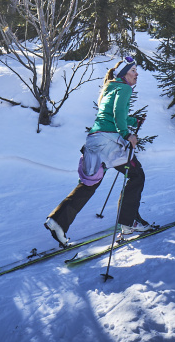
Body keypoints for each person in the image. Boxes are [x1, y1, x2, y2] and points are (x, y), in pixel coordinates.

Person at [44, 57, 149, 247]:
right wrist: (127, 135)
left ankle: (58, 221)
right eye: (133, 70)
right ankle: (128, 222)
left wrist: (133, 121)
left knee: (89, 184)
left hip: (94, 140)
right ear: (124, 73)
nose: (137, 74)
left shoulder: (111, 88)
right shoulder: (124, 88)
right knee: (136, 174)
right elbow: (118, 113)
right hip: (109, 143)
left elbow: (110, 114)